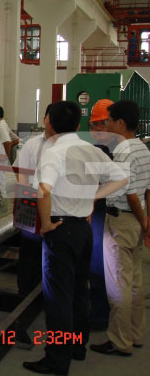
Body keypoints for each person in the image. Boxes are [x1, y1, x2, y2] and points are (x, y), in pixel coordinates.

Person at [23, 101, 128, 375]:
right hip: (83, 230)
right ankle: (77, 348)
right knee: (80, 291)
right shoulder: (91, 150)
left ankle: (57, 360)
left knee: (58, 298)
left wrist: (46, 224)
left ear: (49, 123)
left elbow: (44, 190)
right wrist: (92, 197)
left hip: (60, 230)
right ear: (78, 124)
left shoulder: (53, 152)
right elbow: (121, 178)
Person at [91, 100, 150, 356]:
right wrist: (146, 222)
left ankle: (120, 341)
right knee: (135, 282)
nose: (107, 126)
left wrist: (141, 219)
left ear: (121, 123)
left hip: (122, 221)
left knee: (118, 285)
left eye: (109, 121)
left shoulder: (124, 151)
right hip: (136, 222)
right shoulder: (142, 148)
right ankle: (135, 335)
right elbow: (147, 191)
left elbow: (132, 194)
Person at [12, 104, 55, 348]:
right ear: (46, 119)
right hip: (31, 209)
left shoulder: (68, 146)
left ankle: (50, 311)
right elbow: (21, 177)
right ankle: (21, 323)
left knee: (52, 266)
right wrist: (26, 210)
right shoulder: (32, 145)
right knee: (29, 264)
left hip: (56, 213)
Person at [87, 98, 115, 331]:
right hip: (101, 211)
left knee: (99, 265)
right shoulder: (97, 149)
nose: (97, 129)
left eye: (102, 124)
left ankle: (101, 317)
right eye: (94, 124)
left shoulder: (114, 151)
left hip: (104, 212)